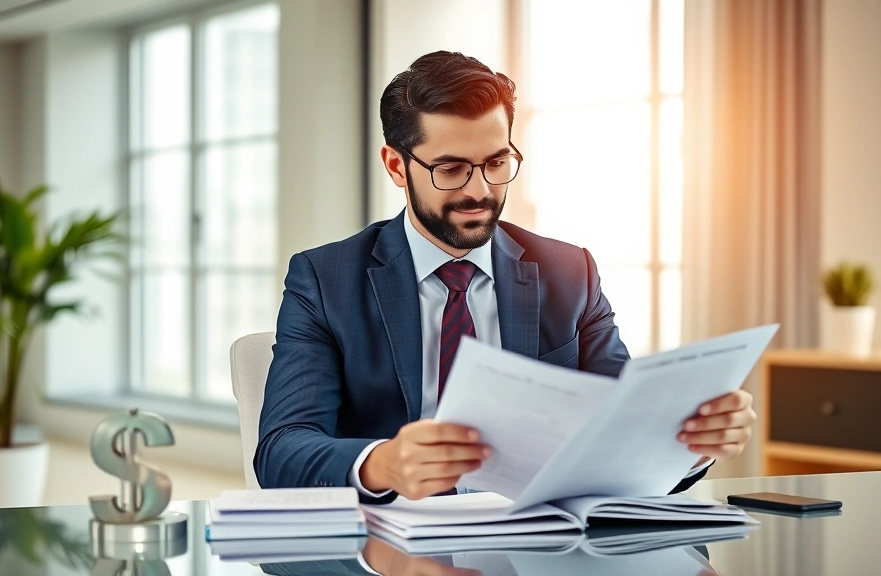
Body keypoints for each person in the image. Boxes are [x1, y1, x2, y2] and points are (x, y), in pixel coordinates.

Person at [255, 51, 757, 504]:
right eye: (450, 169)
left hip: (539, 543)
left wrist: (689, 444)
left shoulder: (570, 274)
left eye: (496, 163)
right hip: (393, 546)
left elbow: (620, 434)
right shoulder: (326, 279)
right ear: (395, 166)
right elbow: (282, 448)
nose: (480, 190)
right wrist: (384, 463)